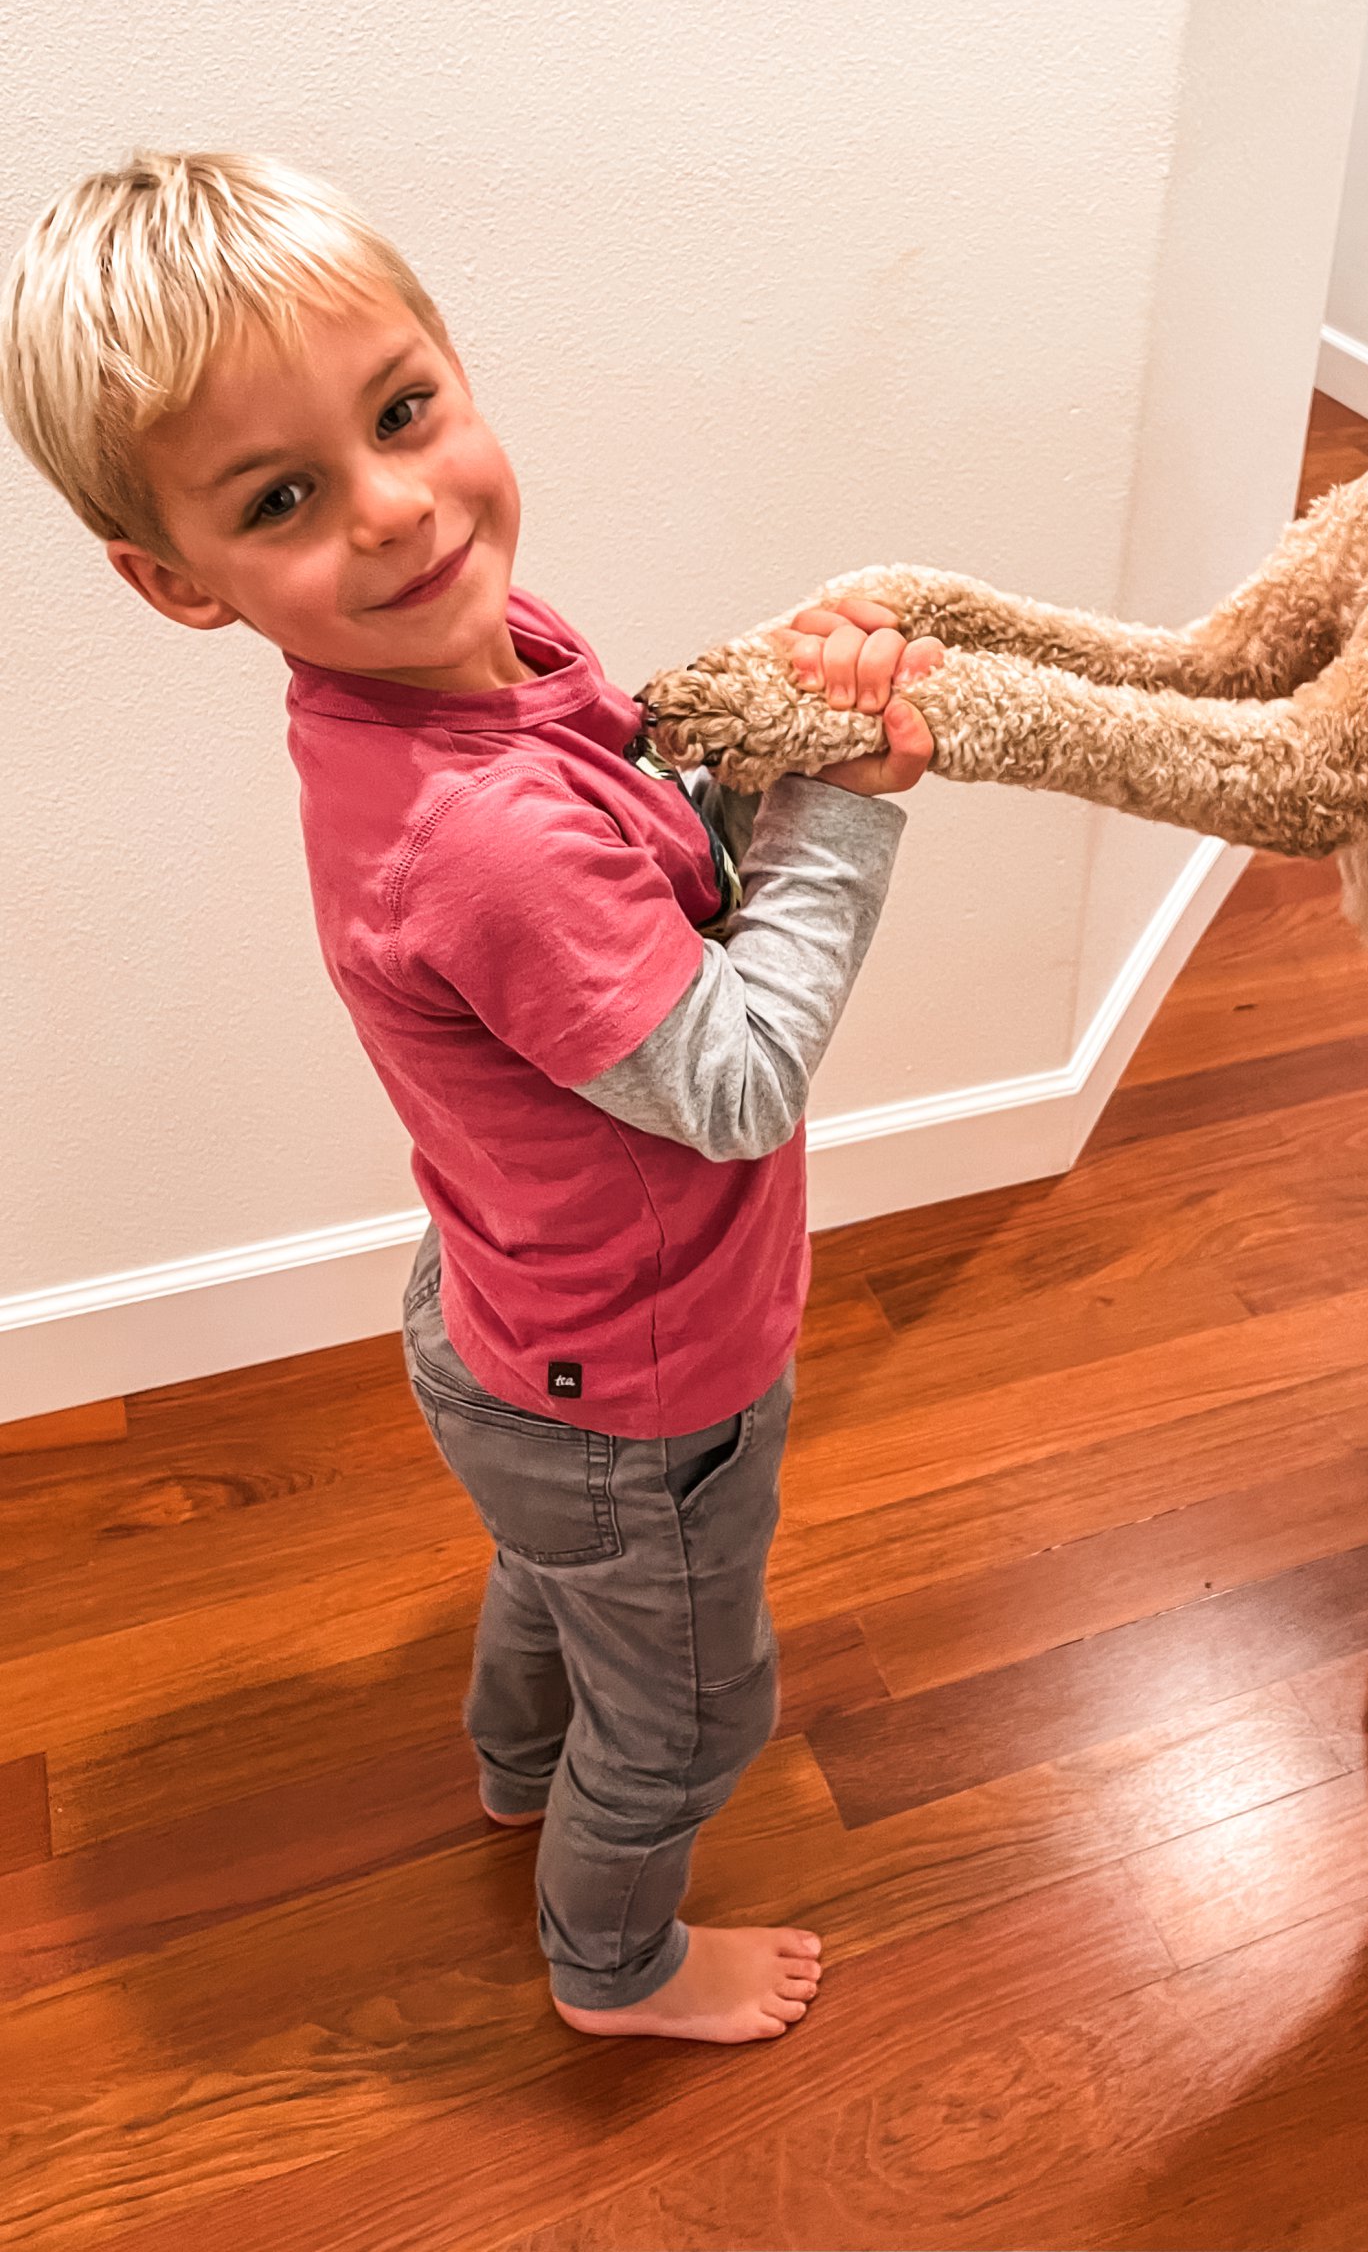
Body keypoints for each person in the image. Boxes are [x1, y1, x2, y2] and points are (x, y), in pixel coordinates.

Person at [0, 151, 941, 2043]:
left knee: (556, 1578)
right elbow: (735, 1078)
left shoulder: (469, 672)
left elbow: (655, 853)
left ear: (452, 368)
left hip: (512, 1331)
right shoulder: (482, 835)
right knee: (688, 1713)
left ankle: (518, 1768)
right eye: (285, 498)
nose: (400, 509)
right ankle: (616, 1965)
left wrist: (757, 753)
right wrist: (845, 806)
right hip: (642, 1386)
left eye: (405, 412)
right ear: (178, 583)